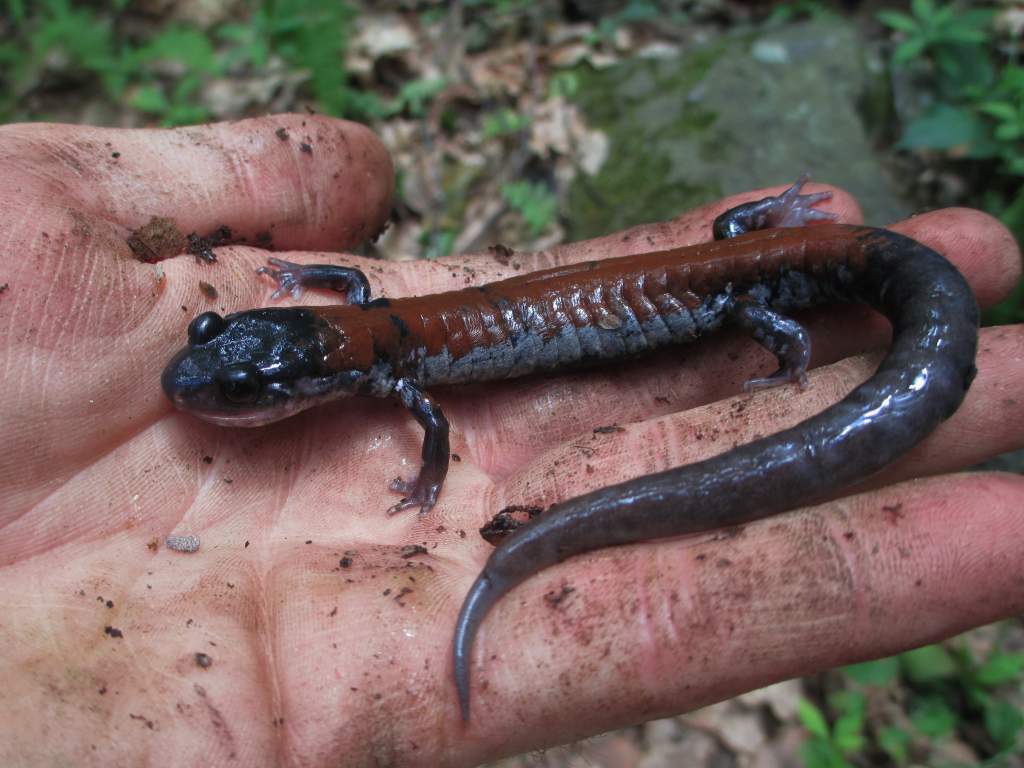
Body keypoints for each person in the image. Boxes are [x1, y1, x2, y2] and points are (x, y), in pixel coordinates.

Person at [0, 115, 1021, 767]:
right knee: (746, 272)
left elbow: (420, 407)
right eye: (227, 373)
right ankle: (782, 282)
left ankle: (782, 300)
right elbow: (354, 289)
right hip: (773, 267)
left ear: (320, 377)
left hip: (771, 278)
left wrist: (422, 482)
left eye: (236, 383)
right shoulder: (368, 326)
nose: (206, 392)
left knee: (748, 286)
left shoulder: (390, 364)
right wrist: (300, 286)